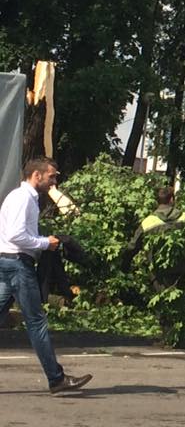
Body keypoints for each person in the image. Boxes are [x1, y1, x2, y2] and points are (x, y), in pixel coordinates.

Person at [0, 157, 92, 394]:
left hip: (8, 262)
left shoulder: (18, 197)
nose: (54, 181)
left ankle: (56, 377)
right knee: (36, 322)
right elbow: (16, 235)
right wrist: (45, 243)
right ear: (36, 175)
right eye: (51, 176)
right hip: (18, 263)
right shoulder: (24, 199)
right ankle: (56, 378)